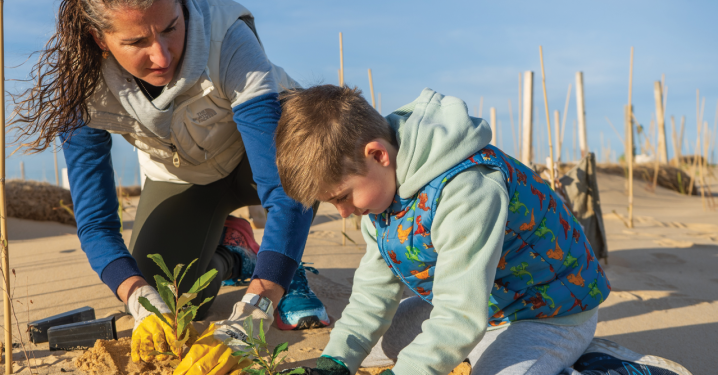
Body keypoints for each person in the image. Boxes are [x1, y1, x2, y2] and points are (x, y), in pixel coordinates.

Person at [12, 0, 330, 366]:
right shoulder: (81, 85)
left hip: (267, 159)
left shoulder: (228, 36)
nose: (161, 56)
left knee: (314, 158)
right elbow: (96, 224)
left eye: (170, 28)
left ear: (182, 3)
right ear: (99, 39)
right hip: (185, 177)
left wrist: (256, 309)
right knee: (173, 300)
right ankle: (234, 254)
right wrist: (139, 300)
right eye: (135, 43)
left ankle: (283, 269)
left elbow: (286, 191)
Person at [273, 85, 692, 375]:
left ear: (378, 154)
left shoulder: (467, 187)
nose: (343, 212)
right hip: (482, 305)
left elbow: (458, 315)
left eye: (342, 197)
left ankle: (604, 361)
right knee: (381, 347)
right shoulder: (380, 195)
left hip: (547, 313)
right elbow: (373, 293)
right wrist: (336, 360)